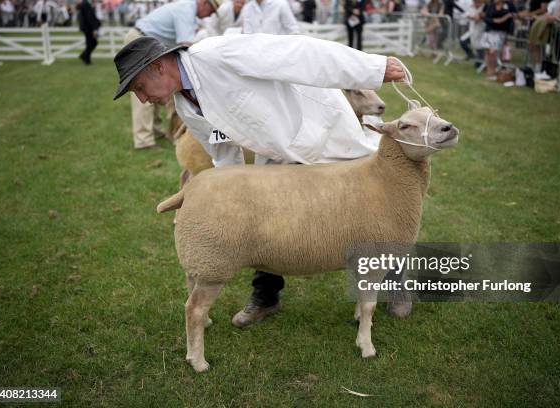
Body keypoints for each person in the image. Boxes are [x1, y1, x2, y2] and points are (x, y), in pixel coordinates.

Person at [113, 34, 407, 327]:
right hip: (275, 154)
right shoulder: (185, 105)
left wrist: (372, 69)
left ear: (159, 67)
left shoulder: (218, 54)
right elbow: (222, 149)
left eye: (139, 87)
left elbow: (300, 52)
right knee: (267, 222)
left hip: (322, 131)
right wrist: (234, 193)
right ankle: (266, 297)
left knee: (371, 207)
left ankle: (397, 282)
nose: (142, 98)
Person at [125, 0, 220, 150]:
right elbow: (187, 44)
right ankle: (143, 141)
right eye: (211, 9)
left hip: (147, 41)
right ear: (204, 3)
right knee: (143, 89)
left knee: (153, 87)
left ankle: (155, 130)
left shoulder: (187, 8)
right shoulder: (187, 9)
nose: (210, 14)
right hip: (140, 42)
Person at [481, 0, 516, 79]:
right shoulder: (491, 5)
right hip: (489, 30)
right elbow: (485, 17)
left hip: (500, 32)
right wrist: (495, 20)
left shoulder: (509, 5)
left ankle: (494, 72)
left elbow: (514, 15)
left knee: (493, 52)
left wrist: (504, 19)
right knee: (488, 52)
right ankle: (489, 72)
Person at [77, 0, 100, 65]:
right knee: (93, 43)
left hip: (87, 27)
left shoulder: (85, 3)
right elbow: (89, 17)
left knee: (90, 43)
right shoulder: (85, 3)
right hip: (88, 27)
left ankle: (86, 58)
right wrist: (94, 29)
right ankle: (85, 58)